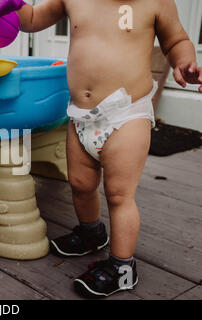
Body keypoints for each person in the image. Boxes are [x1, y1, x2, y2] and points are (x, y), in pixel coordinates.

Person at [13, 0, 202, 297]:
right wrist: (11, 4)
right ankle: (91, 233)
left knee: (118, 194)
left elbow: (177, 40)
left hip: (126, 115)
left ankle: (122, 267)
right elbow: (33, 19)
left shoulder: (155, 2)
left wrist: (183, 61)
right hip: (81, 116)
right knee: (80, 183)